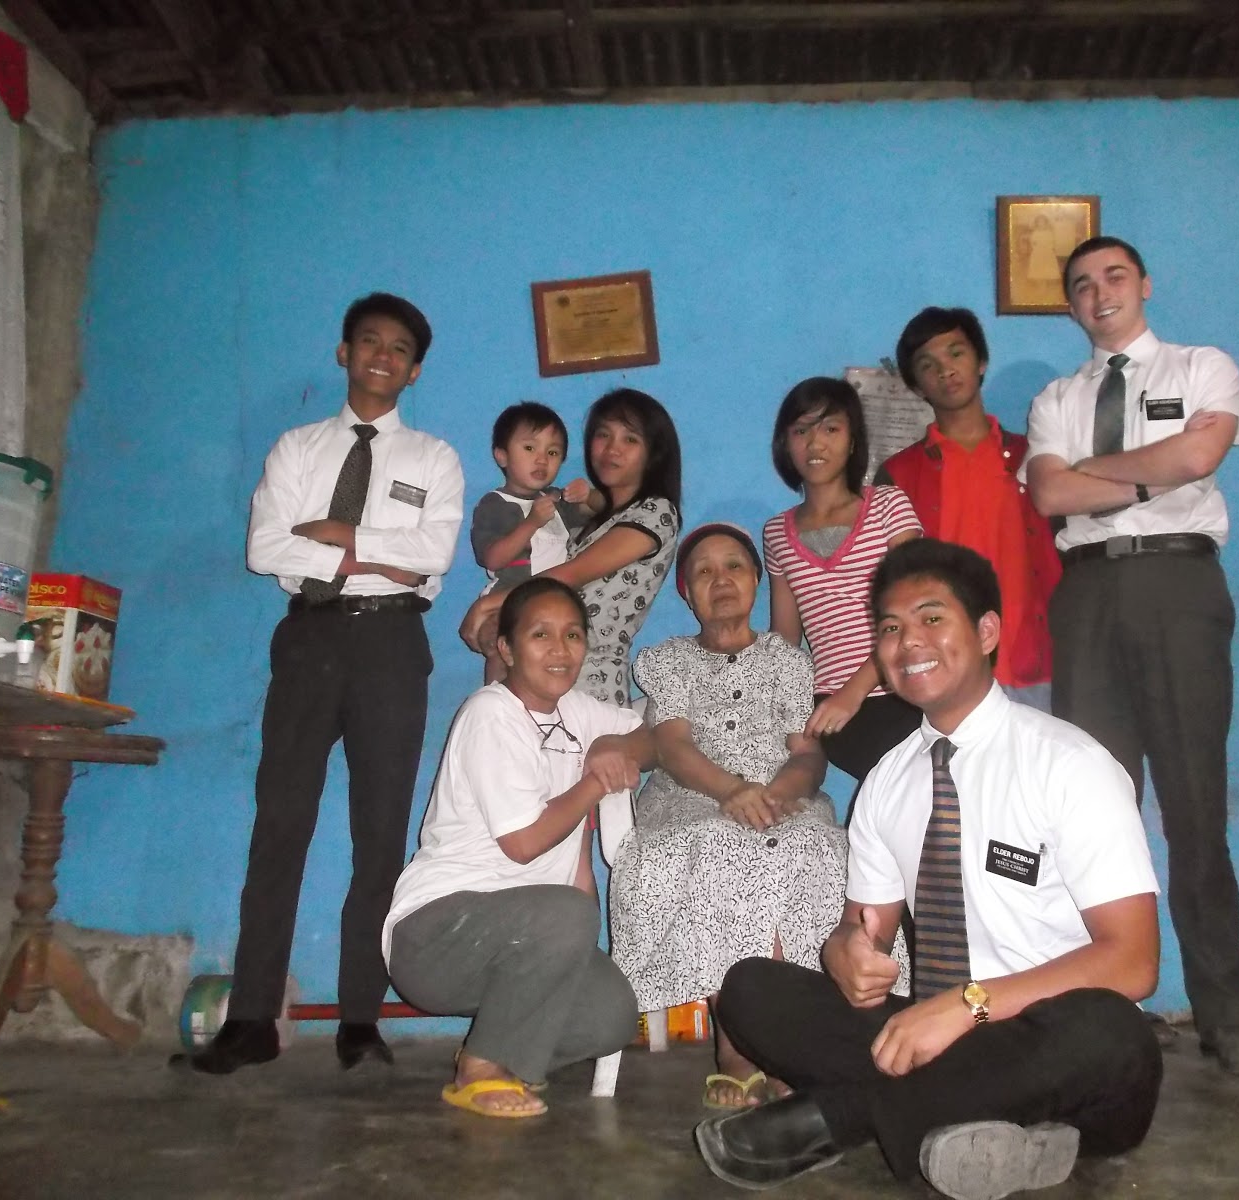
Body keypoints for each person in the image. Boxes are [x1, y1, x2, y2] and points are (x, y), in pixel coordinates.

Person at [697, 539, 1163, 1199]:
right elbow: (865, 930)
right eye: (890, 627)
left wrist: (968, 1007)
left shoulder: (1070, 765)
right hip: (936, 1036)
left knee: (1111, 1033)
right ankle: (981, 1133)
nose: (908, 641)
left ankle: (840, 1118)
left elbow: (1134, 963)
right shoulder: (888, 781)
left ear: (987, 632)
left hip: (1051, 1040)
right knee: (751, 990)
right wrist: (846, 954)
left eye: (932, 618)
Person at [185, 292, 463, 1075]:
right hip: (308, 638)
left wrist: (340, 535)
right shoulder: (298, 447)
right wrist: (379, 553)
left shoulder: (434, 458)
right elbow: (265, 549)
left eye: (400, 348)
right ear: (344, 353)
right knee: (280, 824)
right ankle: (249, 1021)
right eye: (370, 341)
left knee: (381, 833)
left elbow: (433, 557)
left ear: (415, 369)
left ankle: (359, 1021)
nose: (383, 356)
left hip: (393, 644)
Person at [1021, 235, 1239, 1077]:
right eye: (1082, 286)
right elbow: (1050, 492)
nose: (1100, 295)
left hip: (1179, 585)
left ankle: (1228, 1021)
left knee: (1196, 806)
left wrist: (1101, 475)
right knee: (1094, 807)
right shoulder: (1057, 398)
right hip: (1087, 593)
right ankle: (1101, 1012)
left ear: (1145, 285)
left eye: (1115, 277)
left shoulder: (1203, 367)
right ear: (1069, 305)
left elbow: (1201, 455)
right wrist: (1149, 476)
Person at [383, 577, 654, 1118]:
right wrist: (595, 781)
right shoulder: (491, 713)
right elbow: (524, 843)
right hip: (435, 936)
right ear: (506, 649)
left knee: (612, 1015)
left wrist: (612, 743)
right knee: (569, 913)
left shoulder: (578, 711)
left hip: (522, 940)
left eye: (573, 635)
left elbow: (656, 735)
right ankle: (480, 1068)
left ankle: (498, 1049)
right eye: (540, 634)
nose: (560, 649)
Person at [609, 523, 854, 1109]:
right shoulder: (668, 661)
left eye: (735, 566)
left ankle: (790, 1043)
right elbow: (671, 746)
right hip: (692, 799)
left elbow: (807, 754)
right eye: (704, 571)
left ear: (756, 581)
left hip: (782, 798)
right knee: (723, 846)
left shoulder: (787, 662)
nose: (721, 580)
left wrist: (780, 792)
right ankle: (739, 1050)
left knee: (809, 848)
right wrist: (733, 791)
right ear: (687, 594)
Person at [878, 307, 1062, 710]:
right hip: (946, 669)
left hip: (1035, 660)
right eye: (928, 365)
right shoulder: (899, 474)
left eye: (956, 353)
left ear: (981, 361)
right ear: (917, 386)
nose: (945, 370)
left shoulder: (1037, 458)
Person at [462, 388, 682, 707]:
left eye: (630, 439)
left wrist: (487, 605)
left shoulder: (655, 512)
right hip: (540, 678)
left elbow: (572, 574)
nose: (612, 449)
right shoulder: (586, 520)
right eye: (603, 435)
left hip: (592, 682)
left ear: (654, 452)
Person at [762, 378, 923, 785]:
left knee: (930, 799)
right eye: (801, 430)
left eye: (831, 428)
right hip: (837, 713)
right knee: (902, 805)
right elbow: (785, 640)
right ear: (785, 444)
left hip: (907, 686)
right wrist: (781, 710)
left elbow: (917, 607)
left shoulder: (888, 504)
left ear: (853, 441)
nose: (815, 442)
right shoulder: (777, 532)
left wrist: (854, 692)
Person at [469, 401, 593, 681]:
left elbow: (600, 512)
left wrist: (587, 494)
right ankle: (497, 700)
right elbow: (492, 559)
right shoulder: (495, 503)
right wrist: (531, 523)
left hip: (555, 601)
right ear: (502, 456)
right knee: (501, 648)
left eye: (553, 452)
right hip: (507, 597)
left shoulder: (557, 499)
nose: (542, 460)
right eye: (529, 448)